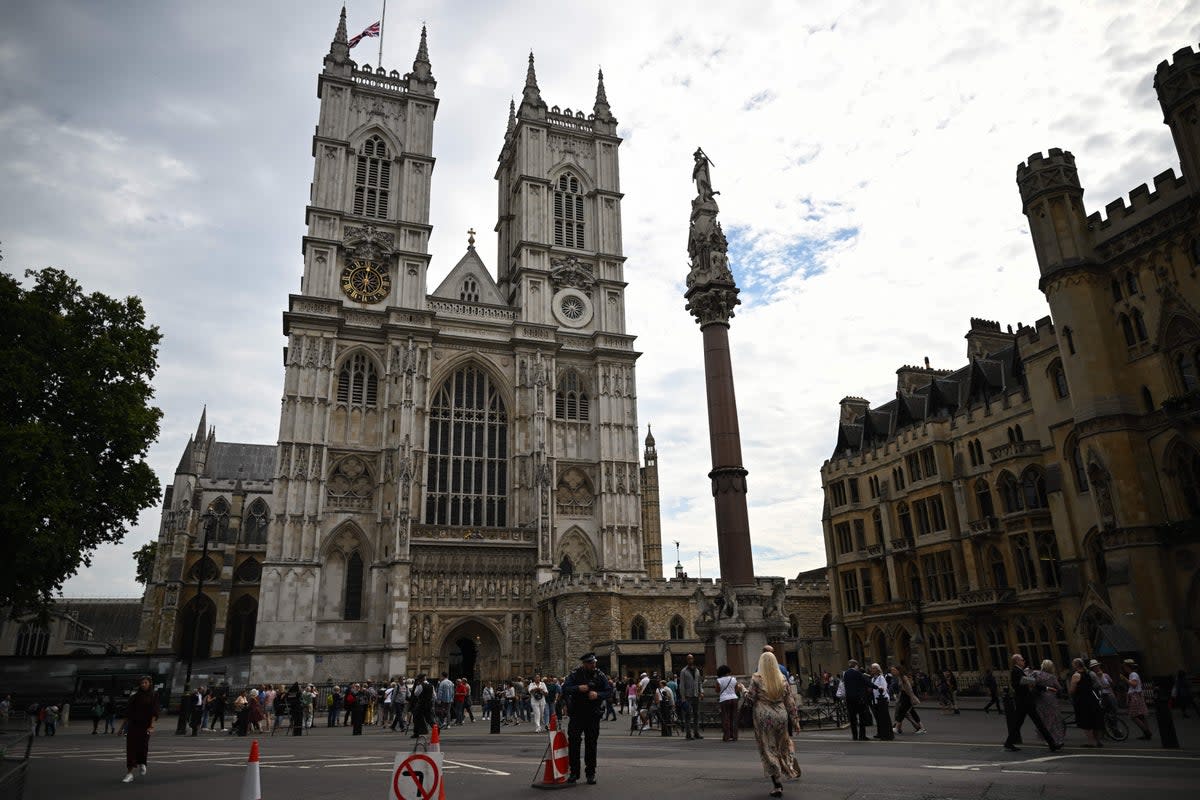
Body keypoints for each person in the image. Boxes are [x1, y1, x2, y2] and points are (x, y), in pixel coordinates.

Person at [744, 651, 801, 797]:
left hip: (764, 716)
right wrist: (795, 721)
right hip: (781, 715)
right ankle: (789, 759)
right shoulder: (782, 678)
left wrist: (742, 690)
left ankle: (777, 784)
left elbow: (750, 699)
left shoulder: (756, 678)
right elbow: (790, 701)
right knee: (783, 742)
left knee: (768, 748)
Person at [562, 652, 612, 785]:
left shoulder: (600, 675)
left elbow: (608, 691)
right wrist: (578, 688)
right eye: (590, 663)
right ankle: (574, 773)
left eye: (594, 662)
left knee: (591, 744)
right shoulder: (575, 674)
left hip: (592, 714)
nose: (593, 665)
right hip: (577, 714)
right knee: (574, 744)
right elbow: (565, 689)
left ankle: (590, 773)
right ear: (584, 664)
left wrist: (598, 694)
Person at [1004, 653, 1058, 752]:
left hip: (1025, 702)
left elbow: (1029, 682)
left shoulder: (1019, 671)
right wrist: (1041, 685)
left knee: (1019, 724)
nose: (1024, 661)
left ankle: (1008, 743)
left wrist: (1045, 687)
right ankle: (1052, 744)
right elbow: (1024, 683)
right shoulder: (1016, 671)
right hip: (1024, 702)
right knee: (1037, 723)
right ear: (1017, 661)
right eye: (1022, 660)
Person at [121, 676, 159, 783]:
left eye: (145, 683)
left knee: (143, 746)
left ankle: (142, 762)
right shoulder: (134, 697)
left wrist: (151, 726)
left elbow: (154, 713)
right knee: (131, 749)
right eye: (142, 683)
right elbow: (127, 714)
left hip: (145, 726)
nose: (143, 684)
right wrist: (122, 728)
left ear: (150, 684)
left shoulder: (153, 696)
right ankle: (129, 773)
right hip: (133, 725)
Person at [1069, 659, 1102, 747]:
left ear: (1076, 665)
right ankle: (1098, 741)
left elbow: (1072, 690)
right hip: (1092, 697)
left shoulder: (1076, 675)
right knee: (1095, 719)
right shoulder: (1090, 673)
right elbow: (1097, 685)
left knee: (1086, 720)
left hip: (1082, 700)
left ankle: (1091, 742)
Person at [1032, 660, 1065, 748]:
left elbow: (1030, 683)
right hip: (1051, 699)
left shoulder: (1036, 673)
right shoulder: (1052, 677)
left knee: (1043, 719)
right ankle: (1056, 739)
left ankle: (1046, 738)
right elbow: (1059, 688)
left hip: (1040, 699)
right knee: (1053, 719)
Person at [1120, 659, 1153, 740]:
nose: (1124, 669)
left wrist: (1124, 679)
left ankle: (1146, 732)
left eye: (1125, 667)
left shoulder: (1132, 674)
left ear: (1128, 667)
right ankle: (1147, 732)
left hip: (1135, 697)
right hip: (1137, 696)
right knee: (1141, 716)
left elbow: (1134, 684)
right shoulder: (1133, 674)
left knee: (1133, 716)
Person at [839, 660, 871, 741]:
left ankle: (855, 736)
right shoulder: (857, 673)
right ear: (855, 665)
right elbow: (866, 682)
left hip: (849, 699)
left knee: (852, 718)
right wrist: (876, 687)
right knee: (861, 717)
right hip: (858, 698)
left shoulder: (845, 674)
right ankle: (862, 735)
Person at [890, 665, 926, 735]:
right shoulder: (899, 677)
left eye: (893, 670)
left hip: (907, 696)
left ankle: (897, 728)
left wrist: (912, 697)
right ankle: (921, 728)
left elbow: (909, 688)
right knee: (910, 712)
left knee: (902, 711)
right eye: (891, 670)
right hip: (904, 696)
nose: (892, 672)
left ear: (898, 670)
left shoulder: (904, 677)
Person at [678, 653, 704, 740]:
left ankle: (696, 732)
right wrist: (683, 697)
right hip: (688, 696)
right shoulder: (683, 671)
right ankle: (688, 733)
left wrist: (701, 692)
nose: (690, 660)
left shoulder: (697, 670)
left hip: (696, 695)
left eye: (692, 659)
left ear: (693, 660)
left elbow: (699, 682)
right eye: (689, 659)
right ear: (687, 660)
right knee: (688, 715)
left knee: (696, 714)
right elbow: (681, 685)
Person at [868, 664, 894, 740]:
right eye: (871, 668)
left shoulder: (881, 678)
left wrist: (878, 690)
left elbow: (883, 688)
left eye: (874, 668)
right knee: (878, 718)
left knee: (883, 717)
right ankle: (879, 732)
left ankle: (885, 733)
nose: (872, 670)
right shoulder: (873, 679)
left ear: (877, 669)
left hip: (882, 700)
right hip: (875, 700)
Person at [716, 664, 741, 742]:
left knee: (725, 718)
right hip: (734, 698)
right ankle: (734, 736)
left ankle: (726, 736)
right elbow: (737, 689)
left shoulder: (719, 680)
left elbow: (717, 690)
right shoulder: (733, 679)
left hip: (724, 699)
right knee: (734, 717)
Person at [410, 674, 433, 738]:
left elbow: (416, 693)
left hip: (421, 704)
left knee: (416, 717)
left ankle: (416, 733)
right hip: (428, 704)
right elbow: (434, 695)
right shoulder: (430, 685)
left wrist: (417, 686)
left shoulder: (420, 685)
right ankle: (436, 728)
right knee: (429, 718)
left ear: (420, 679)